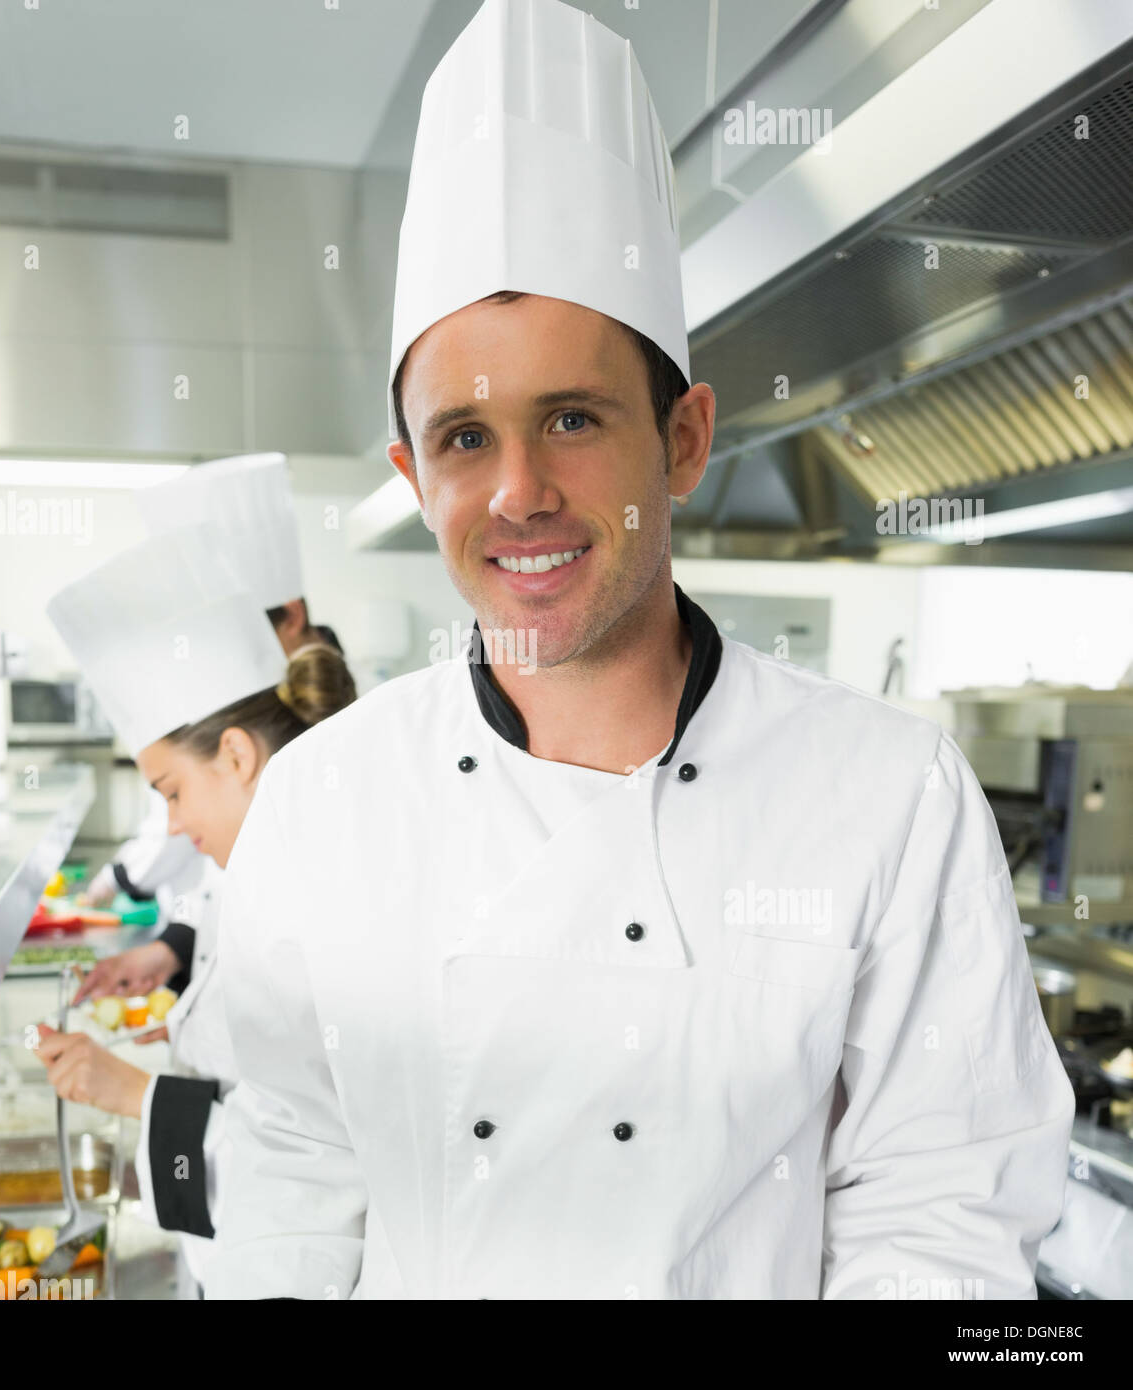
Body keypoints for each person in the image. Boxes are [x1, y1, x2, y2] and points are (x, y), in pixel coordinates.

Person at [204, 0, 1073, 1301]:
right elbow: (275, 1186)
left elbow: (945, 1211)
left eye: (571, 416)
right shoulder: (323, 809)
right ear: (411, 470)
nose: (518, 494)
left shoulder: (891, 794)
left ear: (681, 439)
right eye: (463, 439)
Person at [35, 522, 356, 1294]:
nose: (172, 824)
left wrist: (131, 1092)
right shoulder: (258, 862)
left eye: (172, 792)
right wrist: (170, 956)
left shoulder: (332, 903)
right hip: (231, 1252)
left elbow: (325, 1165)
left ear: (237, 756)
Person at [72, 453, 343, 1007]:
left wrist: (148, 1096)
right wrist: (174, 947)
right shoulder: (237, 773)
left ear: (289, 618)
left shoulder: (344, 751)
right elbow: (231, 877)